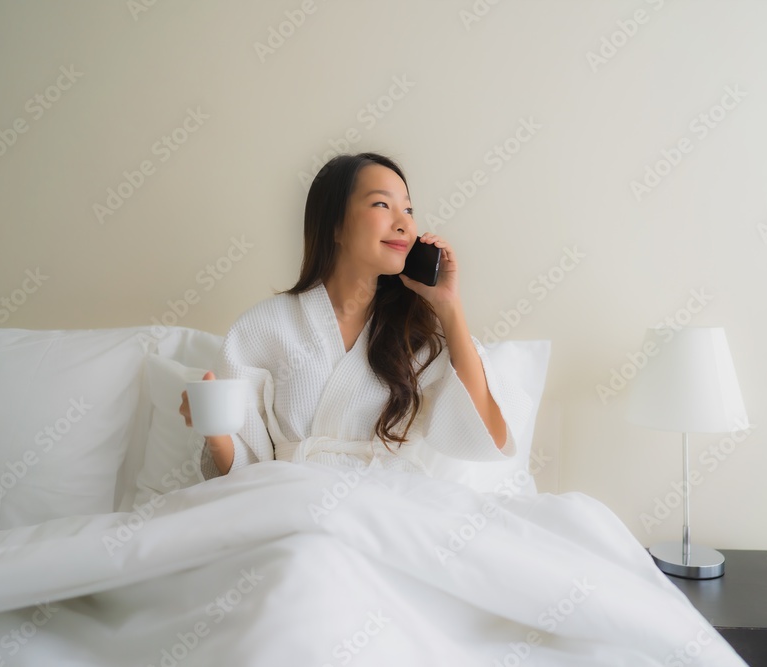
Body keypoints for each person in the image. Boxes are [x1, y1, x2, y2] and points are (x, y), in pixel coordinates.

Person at [179, 152, 532, 480]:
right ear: (335, 226)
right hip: (290, 496)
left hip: (392, 500)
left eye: (408, 210)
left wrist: (449, 305)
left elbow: (490, 433)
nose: (404, 224)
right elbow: (243, 473)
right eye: (382, 204)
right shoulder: (263, 327)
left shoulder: (417, 332)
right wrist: (215, 431)